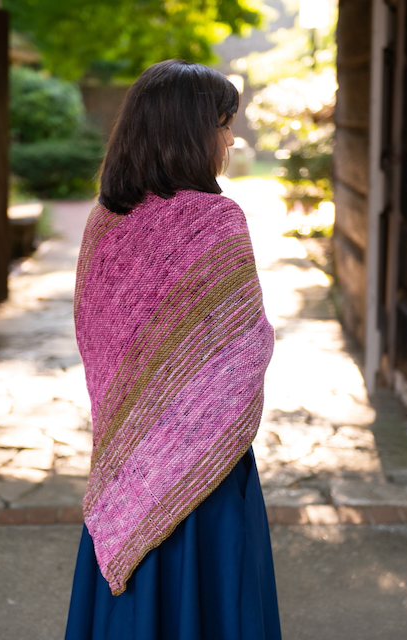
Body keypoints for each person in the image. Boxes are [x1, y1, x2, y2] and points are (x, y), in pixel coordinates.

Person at [65, 59, 281, 640]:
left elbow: (92, 334)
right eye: (222, 123)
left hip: (130, 461)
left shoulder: (103, 222)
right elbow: (245, 347)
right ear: (189, 131)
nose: (230, 138)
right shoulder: (216, 220)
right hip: (207, 466)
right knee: (213, 607)